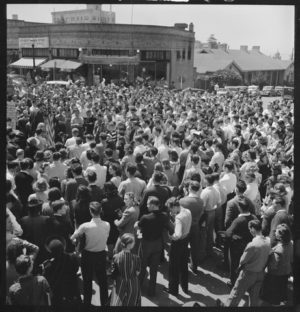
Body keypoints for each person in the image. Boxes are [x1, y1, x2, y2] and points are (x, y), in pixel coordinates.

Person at [217, 220, 271, 307]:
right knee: (254, 297)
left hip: (248, 274)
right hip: (260, 273)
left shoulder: (252, 245)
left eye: (250, 229)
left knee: (236, 294)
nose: (250, 231)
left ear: (253, 229)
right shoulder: (268, 241)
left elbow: (243, 260)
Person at [71, 201, 110, 307]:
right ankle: (105, 303)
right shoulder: (107, 224)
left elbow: (73, 238)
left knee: (87, 281)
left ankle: (87, 303)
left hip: (87, 255)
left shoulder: (85, 226)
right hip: (101, 255)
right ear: (100, 211)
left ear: (90, 212)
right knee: (103, 281)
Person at [136, 196, 174, 297]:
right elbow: (171, 228)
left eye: (148, 204)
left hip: (146, 244)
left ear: (153, 205)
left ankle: (138, 287)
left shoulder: (145, 217)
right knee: (154, 269)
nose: (147, 206)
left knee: (142, 266)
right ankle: (151, 291)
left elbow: (138, 226)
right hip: (158, 244)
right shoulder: (164, 216)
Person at [164, 197, 192, 296]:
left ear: (175, 206)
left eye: (171, 209)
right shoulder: (188, 211)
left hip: (178, 243)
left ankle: (173, 289)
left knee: (173, 268)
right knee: (184, 265)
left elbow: (177, 235)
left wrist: (170, 236)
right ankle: (185, 287)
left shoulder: (179, 217)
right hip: (186, 240)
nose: (170, 211)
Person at [260, 224, 293, 306]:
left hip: (275, 275)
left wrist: (268, 255)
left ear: (281, 236)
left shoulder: (278, 250)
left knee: (274, 296)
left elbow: (273, 267)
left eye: (277, 232)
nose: (275, 234)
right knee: (282, 290)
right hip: (286, 271)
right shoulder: (291, 243)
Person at [43, 236, 81, 307]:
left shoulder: (48, 265)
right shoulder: (73, 258)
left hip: (58, 293)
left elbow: (47, 279)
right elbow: (76, 269)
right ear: (63, 247)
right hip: (72, 288)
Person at [179, 181, 204, 273]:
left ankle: (182, 265)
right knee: (194, 247)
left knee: (183, 246)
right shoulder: (201, 202)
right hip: (195, 226)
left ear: (189, 188)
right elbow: (201, 213)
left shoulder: (182, 201)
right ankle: (194, 266)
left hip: (184, 227)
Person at [110, 233, 141, 306]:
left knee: (117, 301)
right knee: (132, 301)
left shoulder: (116, 257)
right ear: (130, 245)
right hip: (132, 283)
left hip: (120, 283)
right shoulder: (136, 258)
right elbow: (137, 272)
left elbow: (113, 270)